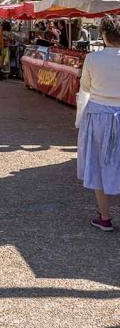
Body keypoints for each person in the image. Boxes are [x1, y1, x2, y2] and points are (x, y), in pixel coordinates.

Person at [76, 15, 120, 231]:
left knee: (98, 164)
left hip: (98, 115)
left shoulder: (93, 59)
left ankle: (105, 217)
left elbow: (85, 86)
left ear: (104, 35)